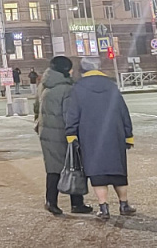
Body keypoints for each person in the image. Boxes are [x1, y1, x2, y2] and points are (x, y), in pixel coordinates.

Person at [66, 57, 136, 220]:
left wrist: (71, 134)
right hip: (114, 133)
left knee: (97, 173)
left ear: (84, 70)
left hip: (89, 135)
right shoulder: (111, 85)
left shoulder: (78, 88)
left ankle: (104, 208)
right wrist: (128, 135)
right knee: (118, 171)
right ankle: (124, 204)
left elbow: (73, 113)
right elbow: (123, 112)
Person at [34, 56, 93, 216]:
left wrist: (39, 124)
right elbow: (70, 115)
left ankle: (51, 201)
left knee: (53, 167)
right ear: (66, 70)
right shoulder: (67, 88)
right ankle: (77, 203)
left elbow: (36, 107)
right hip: (64, 133)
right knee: (75, 165)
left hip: (46, 131)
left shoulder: (44, 84)